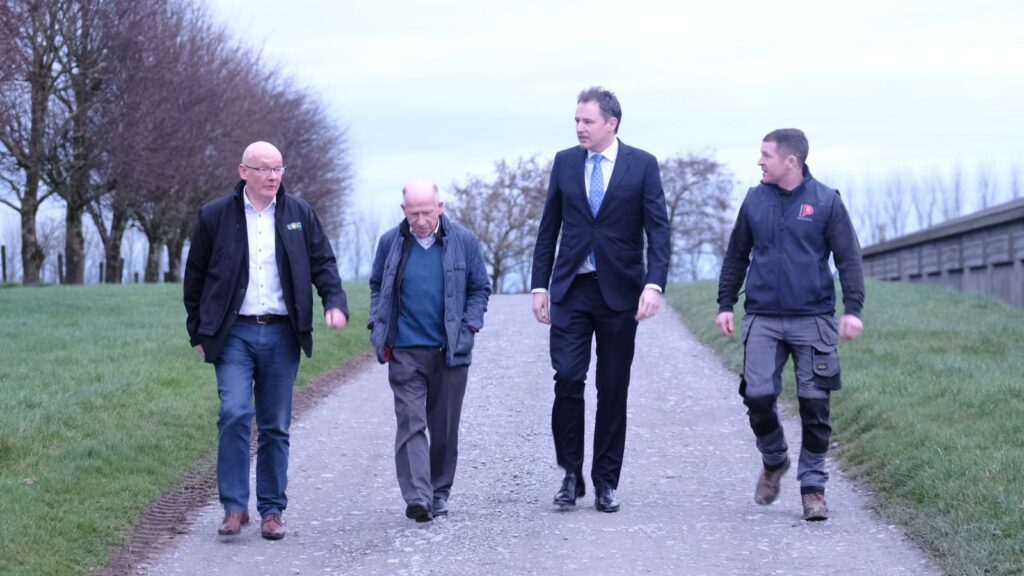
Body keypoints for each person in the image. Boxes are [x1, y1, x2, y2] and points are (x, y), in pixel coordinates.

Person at [183, 141, 348, 540]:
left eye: (278, 169)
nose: (273, 176)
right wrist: (197, 333)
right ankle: (234, 506)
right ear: (244, 172)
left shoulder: (298, 214)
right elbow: (196, 278)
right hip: (234, 332)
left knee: (275, 425)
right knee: (236, 413)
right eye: (264, 169)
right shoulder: (215, 216)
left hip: (282, 332)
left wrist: (334, 301)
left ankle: (272, 510)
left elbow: (323, 263)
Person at [531, 87, 671, 513]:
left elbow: (658, 231)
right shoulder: (565, 162)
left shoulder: (642, 165)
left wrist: (654, 284)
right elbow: (548, 226)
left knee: (612, 388)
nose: (579, 127)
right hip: (572, 287)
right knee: (568, 378)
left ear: (611, 123)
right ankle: (570, 474)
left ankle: (606, 481)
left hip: (620, 293)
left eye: (587, 121)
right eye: (576, 120)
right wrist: (540, 286)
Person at [715, 128, 865, 521]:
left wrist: (853, 309)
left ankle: (813, 488)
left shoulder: (826, 202)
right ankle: (774, 457)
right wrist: (725, 303)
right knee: (757, 395)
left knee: (816, 406)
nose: (759, 161)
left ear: (790, 161)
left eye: (766, 155)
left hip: (813, 319)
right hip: (763, 316)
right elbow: (736, 257)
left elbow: (848, 259)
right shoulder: (753, 201)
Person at [369, 180, 490, 522]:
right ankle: (418, 497)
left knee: (444, 426)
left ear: (440, 207)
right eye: (413, 213)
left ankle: (439, 491)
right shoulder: (390, 242)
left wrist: (469, 326)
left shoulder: (463, 241)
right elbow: (377, 285)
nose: (420, 220)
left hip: (450, 349)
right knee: (411, 421)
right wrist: (378, 324)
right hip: (406, 350)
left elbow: (480, 288)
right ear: (403, 211)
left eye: (426, 212)